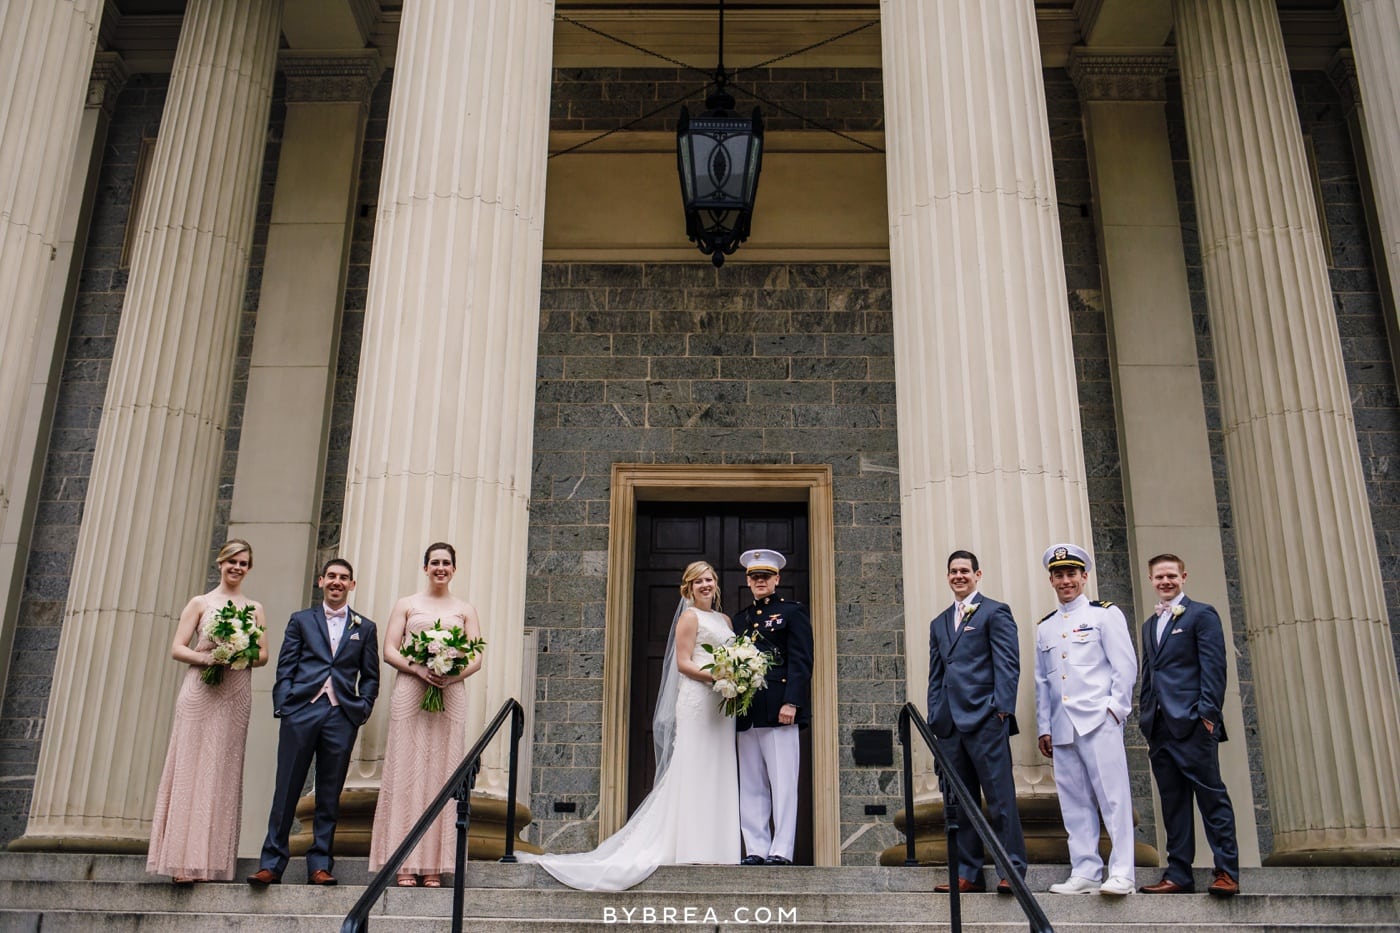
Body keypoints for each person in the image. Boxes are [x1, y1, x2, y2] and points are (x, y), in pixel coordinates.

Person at [520, 561, 739, 890]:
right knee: (694, 766)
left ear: (716, 583)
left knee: (719, 767)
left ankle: (719, 847)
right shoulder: (689, 617)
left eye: (709, 579)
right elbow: (683, 663)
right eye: (698, 581)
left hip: (721, 706)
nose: (705, 585)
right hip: (697, 699)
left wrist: (736, 677)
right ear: (689, 588)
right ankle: (690, 845)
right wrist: (717, 677)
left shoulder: (724, 620)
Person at [247, 557, 380, 887]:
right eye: (331, 576)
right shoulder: (301, 620)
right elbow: (285, 667)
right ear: (321, 581)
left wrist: (360, 708)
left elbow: (371, 676)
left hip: (341, 716)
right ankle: (272, 863)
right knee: (287, 788)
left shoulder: (365, 628)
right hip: (301, 711)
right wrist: (286, 706)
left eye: (344, 577)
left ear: (352, 585)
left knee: (329, 793)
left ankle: (320, 863)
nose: (337, 581)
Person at [148, 539, 268, 884]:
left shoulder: (255, 608)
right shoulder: (200, 603)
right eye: (232, 562)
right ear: (220, 563)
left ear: (249, 568)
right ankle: (181, 862)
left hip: (235, 692)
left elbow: (262, 655)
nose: (237, 568)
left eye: (243, 563)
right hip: (201, 689)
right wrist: (208, 658)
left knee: (222, 772)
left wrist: (239, 652)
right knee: (190, 769)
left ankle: (212, 862)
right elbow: (176, 647)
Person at [369, 542, 484, 887]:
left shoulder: (465, 609)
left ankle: (434, 864)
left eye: (446, 563)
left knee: (441, 776)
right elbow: (389, 649)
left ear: (454, 568)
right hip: (411, 689)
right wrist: (419, 669)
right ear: (425, 567)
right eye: (434, 562)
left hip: (449, 694)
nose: (440, 568)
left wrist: (451, 673)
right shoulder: (407, 604)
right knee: (406, 774)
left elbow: (476, 656)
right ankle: (404, 863)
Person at [1034, 543, 1137, 897]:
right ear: (1051, 580)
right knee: (1074, 802)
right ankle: (1086, 870)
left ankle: (1122, 871)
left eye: (1071, 574)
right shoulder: (1045, 627)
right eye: (1059, 575)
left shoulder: (1104, 615)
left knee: (1113, 797)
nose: (1066, 581)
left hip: (1098, 719)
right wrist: (1044, 726)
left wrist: (1115, 710)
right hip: (1063, 726)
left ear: (1084, 577)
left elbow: (1125, 665)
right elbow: (1042, 681)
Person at [1137, 554, 1240, 897]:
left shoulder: (1202, 615)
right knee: (1173, 804)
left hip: (1195, 724)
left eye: (1171, 576)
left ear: (1184, 576)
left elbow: (1214, 667)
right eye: (1159, 577)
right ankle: (1178, 874)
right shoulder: (1149, 625)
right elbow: (1149, 674)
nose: (1165, 582)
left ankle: (1226, 871)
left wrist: (1207, 715)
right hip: (1161, 728)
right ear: (1151, 580)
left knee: (1212, 799)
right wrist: (1146, 717)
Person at [927, 549, 1027, 895]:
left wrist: (1001, 709)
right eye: (953, 571)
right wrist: (934, 716)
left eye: (964, 571)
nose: (959, 576)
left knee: (1000, 799)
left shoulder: (995, 612)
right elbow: (936, 674)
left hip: (985, 719)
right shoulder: (939, 623)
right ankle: (968, 872)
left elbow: (1008, 664)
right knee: (957, 801)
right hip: (950, 727)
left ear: (977, 575)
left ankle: (1010, 868)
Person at [734, 548, 813, 866]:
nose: (760, 581)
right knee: (751, 783)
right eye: (755, 577)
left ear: (777, 579)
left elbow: (801, 660)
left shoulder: (792, 613)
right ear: (748, 581)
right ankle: (755, 847)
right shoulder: (741, 619)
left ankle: (781, 849)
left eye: (765, 576)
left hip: (780, 710)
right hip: (748, 712)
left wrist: (792, 701)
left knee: (783, 784)